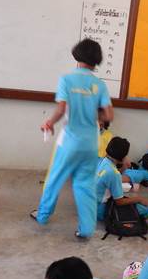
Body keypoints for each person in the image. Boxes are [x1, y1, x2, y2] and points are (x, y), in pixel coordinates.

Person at [33, 39, 113, 239]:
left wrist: (49, 123)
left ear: (77, 55)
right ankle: (86, 229)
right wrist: (94, 113)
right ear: (96, 60)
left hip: (69, 142)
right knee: (85, 185)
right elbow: (109, 115)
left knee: (54, 179)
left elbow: (61, 110)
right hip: (91, 144)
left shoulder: (66, 80)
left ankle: (42, 215)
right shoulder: (100, 85)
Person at [95, 136, 148, 222]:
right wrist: (139, 199)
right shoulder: (113, 173)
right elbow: (119, 202)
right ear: (122, 157)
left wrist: (123, 166)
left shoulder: (102, 161)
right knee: (145, 210)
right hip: (101, 210)